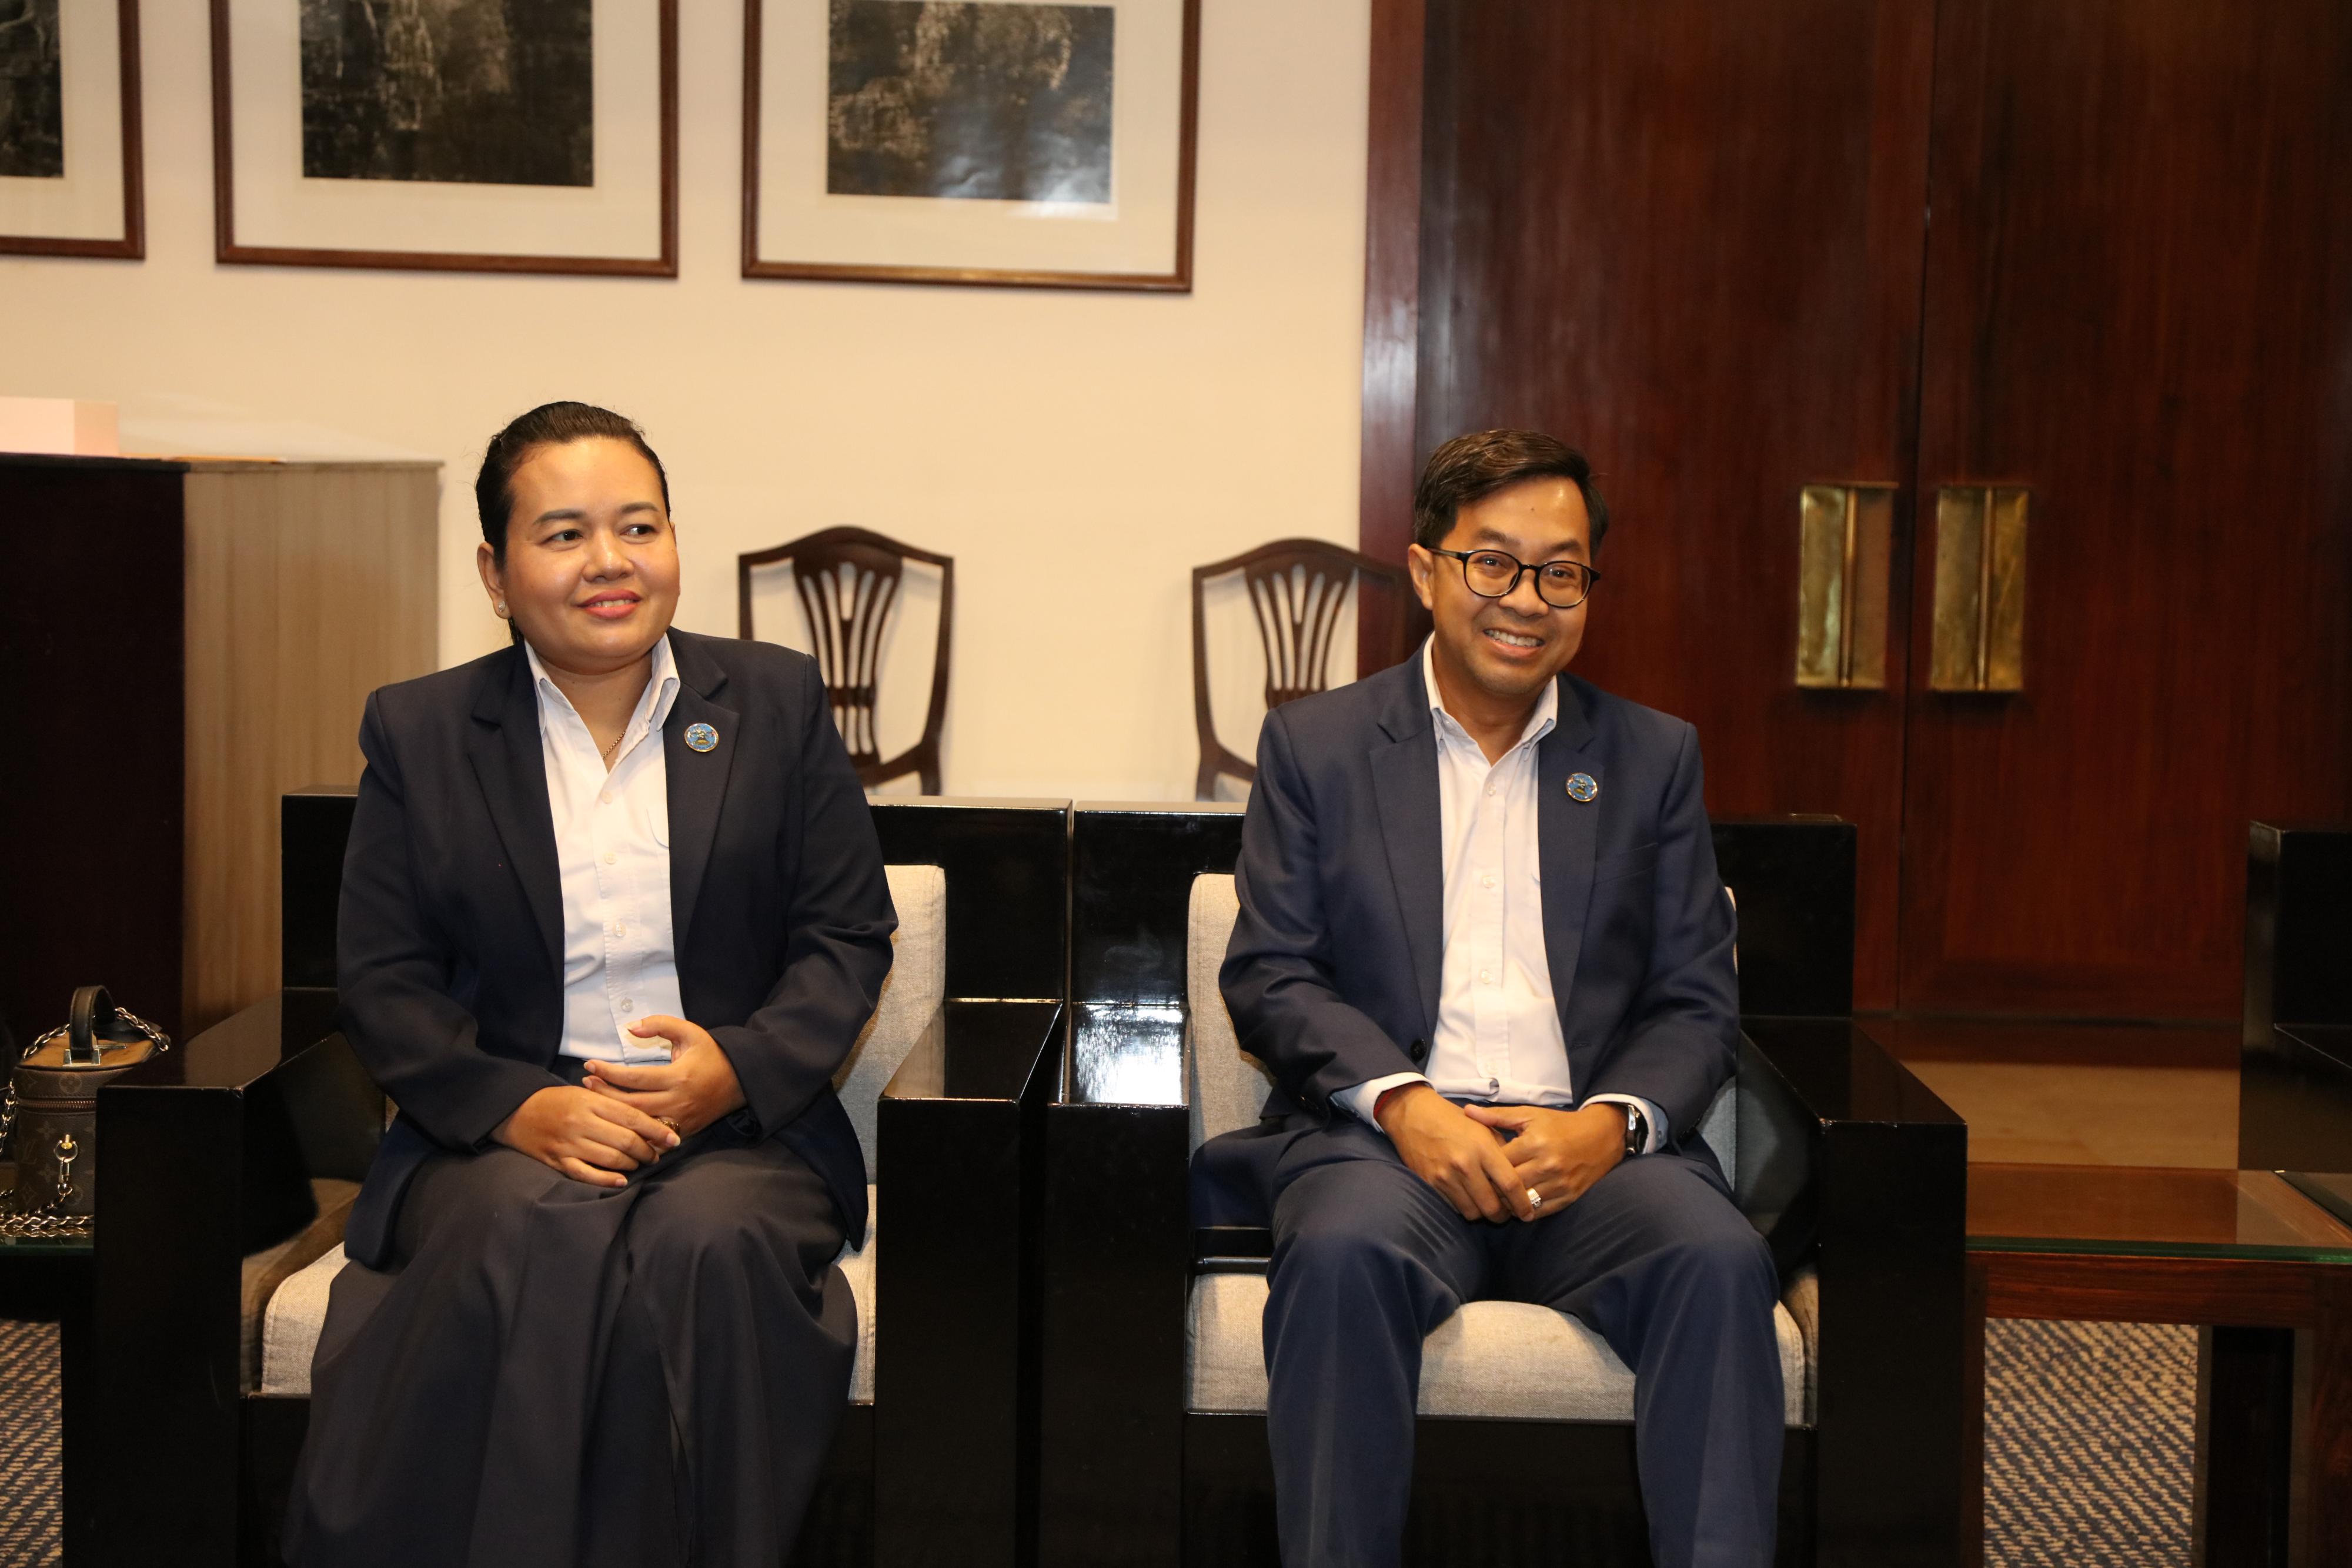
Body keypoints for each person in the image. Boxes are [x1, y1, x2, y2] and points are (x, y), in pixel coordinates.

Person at [285, 402, 896, 1568]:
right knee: (529, 1229)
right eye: (564, 534)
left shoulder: (772, 702)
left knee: (704, 1245)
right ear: (496, 572)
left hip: (737, 1129)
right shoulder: (422, 731)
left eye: (638, 526)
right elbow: (384, 978)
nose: (610, 561)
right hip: (500, 1133)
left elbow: (846, 934)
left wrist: (735, 1069)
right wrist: (521, 1106)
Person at [1192, 429, 1781, 1568]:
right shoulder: (1318, 747)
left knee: (1717, 1261)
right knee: (1340, 1255)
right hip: (1388, 1151)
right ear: (1426, 572)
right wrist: (1406, 1103)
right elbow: (1272, 971)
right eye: (1493, 562)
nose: (1526, 599)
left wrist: (1609, 1125)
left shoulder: (1651, 757)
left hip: (1592, 1157)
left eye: (1561, 572)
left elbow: (1695, 999)